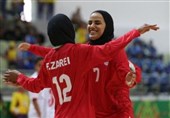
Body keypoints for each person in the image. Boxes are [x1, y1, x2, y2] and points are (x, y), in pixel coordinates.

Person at [3, 13, 159, 118]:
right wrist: (135, 32)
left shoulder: (50, 60)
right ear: (70, 31)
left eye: (97, 22)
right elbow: (109, 48)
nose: (91, 26)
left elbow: (36, 85)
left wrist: (20, 78)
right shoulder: (80, 52)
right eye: (90, 22)